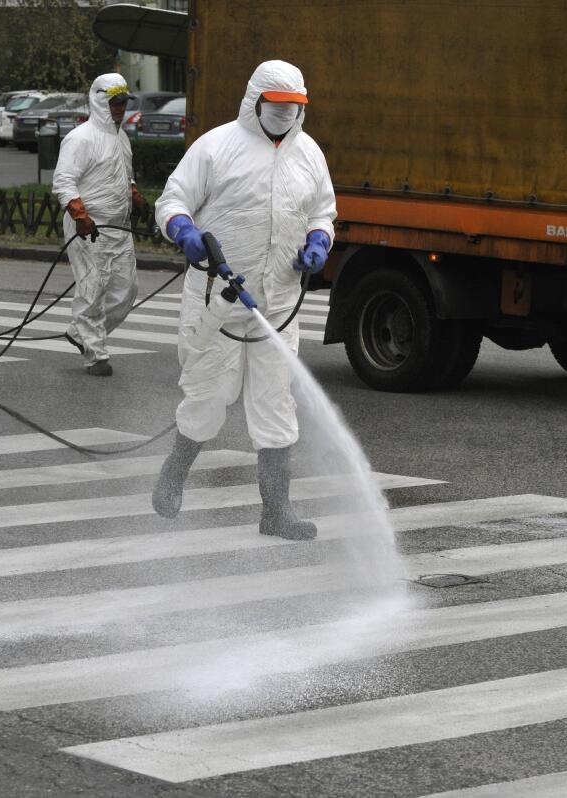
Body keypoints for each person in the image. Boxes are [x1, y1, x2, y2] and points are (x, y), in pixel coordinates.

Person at [150, 60, 336, 540]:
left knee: (276, 404)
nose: (285, 114)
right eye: (277, 105)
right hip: (219, 301)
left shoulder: (309, 153)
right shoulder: (216, 147)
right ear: (256, 101)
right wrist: (184, 231)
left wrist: (319, 241)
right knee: (209, 395)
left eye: (294, 107)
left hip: (278, 304)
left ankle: (275, 513)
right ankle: (173, 475)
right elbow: (172, 201)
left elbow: (323, 210)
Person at [52, 72, 148, 377]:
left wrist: (135, 196)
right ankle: (95, 353)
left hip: (119, 228)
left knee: (126, 291)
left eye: (123, 102)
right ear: (99, 100)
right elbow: (64, 181)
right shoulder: (80, 138)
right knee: (92, 288)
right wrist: (81, 216)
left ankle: (81, 331)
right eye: (115, 102)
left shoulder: (121, 138)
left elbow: (124, 175)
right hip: (89, 228)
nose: (120, 108)